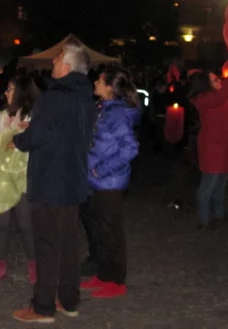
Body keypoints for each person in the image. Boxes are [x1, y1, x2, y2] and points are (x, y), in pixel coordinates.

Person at [11, 42, 97, 323]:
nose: (53, 62)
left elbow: (38, 138)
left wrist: (17, 140)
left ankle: (43, 306)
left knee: (47, 244)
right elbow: (66, 130)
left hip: (50, 179)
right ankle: (69, 300)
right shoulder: (85, 96)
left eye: (58, 58)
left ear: (68, 66)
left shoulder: (54, 96)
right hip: (73, 179)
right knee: (69, 243)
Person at [80, 65, 140, 299]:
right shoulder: (104, 109)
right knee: (102, 231)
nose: (94, 83)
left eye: (98, 81)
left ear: (108, 87)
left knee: (111, 232)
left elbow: (130, 148)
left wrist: (101, 170)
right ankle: (104, 274)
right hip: (99, 182)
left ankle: (116, 281)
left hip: (109, 183)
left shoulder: (116, 114)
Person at [0, 76, 40, 284]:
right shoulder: (4, 115)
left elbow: (34, 144)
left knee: (26, 223)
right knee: (1, 223)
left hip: (22, 177)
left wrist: (24, 135)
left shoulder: (32, 116)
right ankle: (0, 264)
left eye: (10, 89)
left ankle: (34, 264)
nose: (6, 93)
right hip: (2, 176)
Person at [187, 70, 228, 229]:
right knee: (208, 184)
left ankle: (218, 215)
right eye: (215, 80)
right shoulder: (203, 99)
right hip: (212, 146)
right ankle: (203, 219)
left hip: (226, 144)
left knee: (221, 183)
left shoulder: (219, 97)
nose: (219, 81)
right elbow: (225, 91)